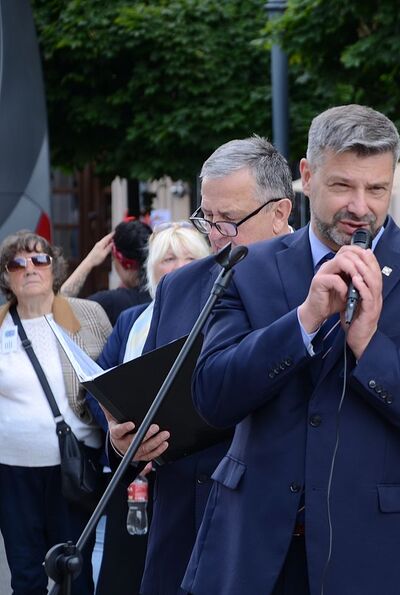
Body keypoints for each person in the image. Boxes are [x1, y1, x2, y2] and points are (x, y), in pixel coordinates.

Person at [180, 104, 400, 595]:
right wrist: (303, 321)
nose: (361, 207)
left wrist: (369, 346)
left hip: (376, 559)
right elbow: (211, 396)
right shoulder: (247, 266)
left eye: (377, 189)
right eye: (343, 186)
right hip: (253, 556)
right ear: (307, 176)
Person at [105, 135, 295, 595]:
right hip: (181, 523)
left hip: (271, 534)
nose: (214, 235)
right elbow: (149, 391)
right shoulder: (181, 287)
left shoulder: (316, 288)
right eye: (206, 218)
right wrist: (125, 438)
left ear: (280, 212)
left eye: (229, 220)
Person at [85, 221, 210, 595]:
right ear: (152, 271)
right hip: (135, 476)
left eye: (191, 257)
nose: (181, 265)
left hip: (197, 480)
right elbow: (98, 388)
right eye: (169, 258)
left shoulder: (224, 318)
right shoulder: (130, 321)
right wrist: (117, 429)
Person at [0, 231, 112, 595]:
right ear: (6, 277)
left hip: (75, 467)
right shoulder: (0, 324)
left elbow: (114, 379)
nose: (29, 268)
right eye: (17, 263)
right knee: (26, 572)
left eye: (39, 259)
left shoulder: (87, 315)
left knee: (75, 571)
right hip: (11, 472)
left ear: (54, 267)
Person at [61, 219, 153, 324]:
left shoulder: (111, 302)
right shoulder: (163, 294)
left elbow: (56, 308)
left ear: (121, 261)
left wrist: (89, 261)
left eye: (113, 258)